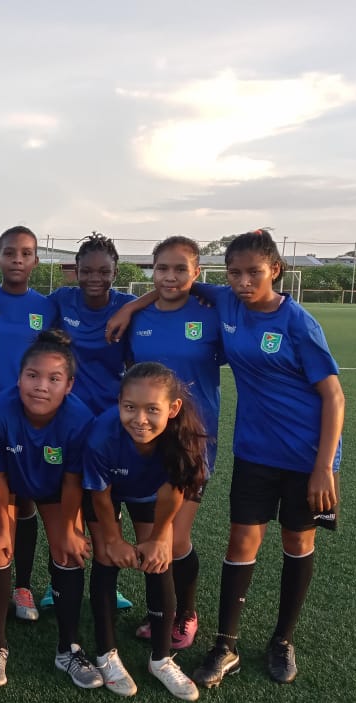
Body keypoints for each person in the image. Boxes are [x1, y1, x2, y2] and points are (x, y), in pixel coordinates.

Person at [109, 229, 345, 688]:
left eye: (253, 272)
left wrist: (325, 465)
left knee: (296, 544)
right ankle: (224, 644)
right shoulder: (226, 302)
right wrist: (131, 305)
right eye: (234, 272)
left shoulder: (296, 321)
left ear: (275, 270)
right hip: (255, 450)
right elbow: (175, 284)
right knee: (240, 544)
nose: (242, 281)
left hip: (303, 454)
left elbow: (333, 395)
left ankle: (281, 640)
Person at [84, 362, 209, 701]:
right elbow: (100, 495)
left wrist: (158, 537)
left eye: (153, 409)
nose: (140, 419)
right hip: (107, 493)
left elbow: (174, 492)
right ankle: (106, 654)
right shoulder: (101, 435)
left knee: (159, 559)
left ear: (173, 408)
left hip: (150, 493)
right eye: (129, 408)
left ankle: (161, 658)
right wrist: (113, 539)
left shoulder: (186, 439)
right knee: (106, 557)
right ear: (118, 402)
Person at [0, 330, 98, 690]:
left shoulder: (80, 419)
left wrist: (67, 528)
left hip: (54, 489)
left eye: (54, 379)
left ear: (69, 385)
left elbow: (72, 481)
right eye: (32, 376)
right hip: (11, 484)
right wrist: (1, 525)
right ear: (19, 378)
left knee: (69, 551)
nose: (41, 386)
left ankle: (69, 648)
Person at [126, 236, 224, 649]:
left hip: (193, 441)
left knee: (176, 538)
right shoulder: (136, 318)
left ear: (196, 273)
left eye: (180, 269)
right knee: (151, 536)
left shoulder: (212, 315)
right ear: (152, 270)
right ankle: (159, 613)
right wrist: (133, 305)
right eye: (162, 268)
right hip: (145, 440)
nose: (170, 276)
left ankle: (186, 613)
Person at [0, 226, 58, 623]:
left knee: (24, 506)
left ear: (36, 261)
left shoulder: (47, 307)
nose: (17, 260)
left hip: (30, 418)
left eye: (26, 253)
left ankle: (22, 585)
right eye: (9, 253)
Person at [49, 232, 138, 614]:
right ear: (77, 271)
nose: (95, 278)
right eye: (87, 270)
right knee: (66, 505)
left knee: (106, 505)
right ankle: (61, 581)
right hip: (67, 419)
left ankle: (107, 580)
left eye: (104, 271)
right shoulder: (60, 301)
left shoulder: (129, 305)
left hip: (110, 421)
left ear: (116, 271)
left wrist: (131, 308)